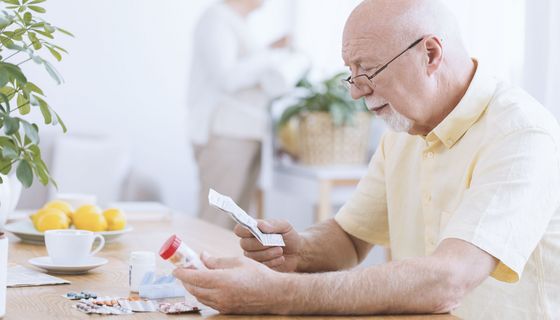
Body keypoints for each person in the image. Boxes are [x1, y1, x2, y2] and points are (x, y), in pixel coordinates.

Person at [175, 0, 560, 318]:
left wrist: (280, 292)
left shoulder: (522, 133)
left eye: (368, 71)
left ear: (430, 53)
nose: (357, 92)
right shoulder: (405, 129)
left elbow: (448, 280)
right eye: (351, 73)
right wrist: (300, 250)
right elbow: (349, 238)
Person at [187, 0, 290, 229]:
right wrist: (269, 54)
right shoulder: (216, 18)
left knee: (236, 225)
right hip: (226, 133)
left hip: (246, 133)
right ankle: (200, 265)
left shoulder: (239, 23)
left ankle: (226, 266)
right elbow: (227, 76)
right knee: (215, 221)